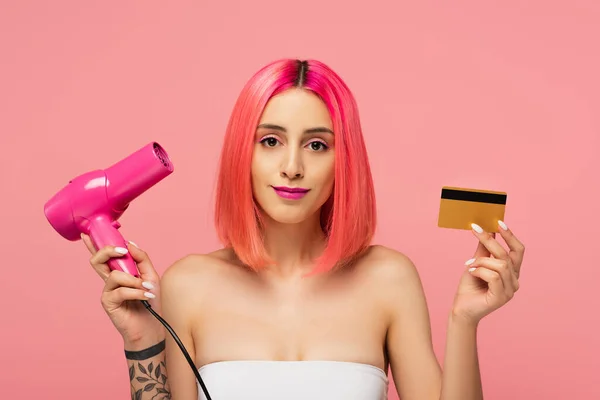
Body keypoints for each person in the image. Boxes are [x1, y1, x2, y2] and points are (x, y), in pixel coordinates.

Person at [82, 59, 525, 400]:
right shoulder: (187, 284)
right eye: (270, 141)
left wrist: (464, 320)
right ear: (244, 153)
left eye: (317, 145)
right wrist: (142, 339)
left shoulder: (387, 278)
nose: (292, 167)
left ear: (343, 160)